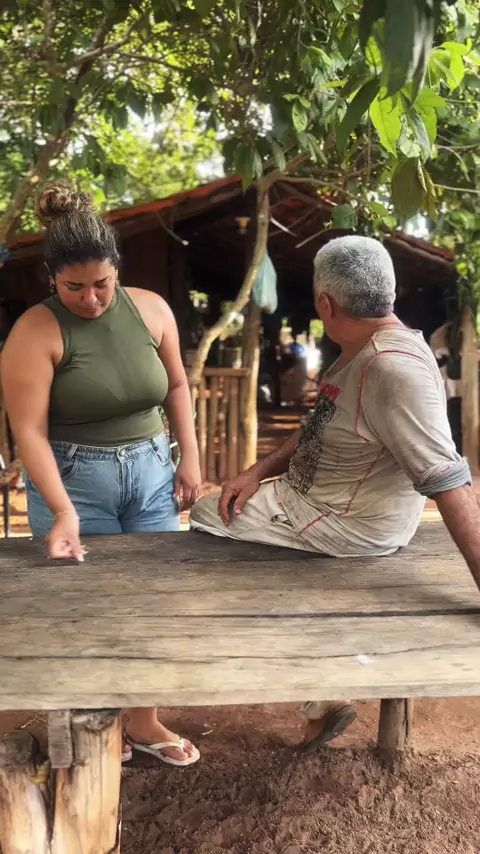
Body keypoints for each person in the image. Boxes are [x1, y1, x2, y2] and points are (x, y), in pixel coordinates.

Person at [191, 235, 480, 751]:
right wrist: (260, 469)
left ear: (325, 303)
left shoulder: (393, 369)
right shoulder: (364, 350)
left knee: (204, 513)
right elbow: (322, 420)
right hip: (320, 502)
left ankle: (319, 694)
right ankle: (321, 697)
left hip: (344, 524)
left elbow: (448, 480)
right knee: (231, 517)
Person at [1, 183, 202, 768]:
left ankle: (141, 719)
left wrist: (189, 456)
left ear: (117, 270)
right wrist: (62, 510)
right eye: (74, 288)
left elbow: (178, 385)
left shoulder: (152, 309)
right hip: (74, 479)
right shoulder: (34, 332)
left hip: (152, 472)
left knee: (151, 600)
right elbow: (29, 432)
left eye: (102, 284)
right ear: (51, 279)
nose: (90, 299)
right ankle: (93, 730)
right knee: (84, 608)